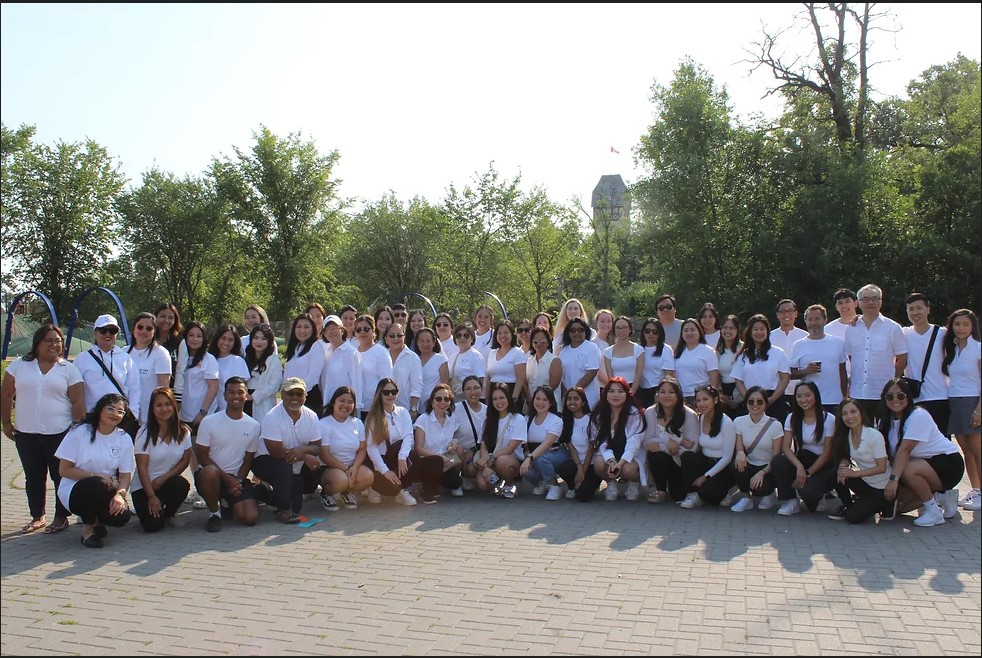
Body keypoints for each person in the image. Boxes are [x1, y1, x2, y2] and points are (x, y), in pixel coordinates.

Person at [2, 324, 84, 534]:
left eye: (58, 341)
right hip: (26, 433)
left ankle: (61, 517)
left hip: (60, 434)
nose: (54, 345)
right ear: (37, 343)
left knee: (60, 476)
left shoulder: (68, 369)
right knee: (34, 476)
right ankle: (37, 516)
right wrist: (6, 423)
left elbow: (78, 402)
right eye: (49, 340)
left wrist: (77, 431)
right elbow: (6, 394)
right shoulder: (19, 365)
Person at [879, 377, 965, 527]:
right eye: (890, 396)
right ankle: (941, 496)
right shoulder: (885, 421)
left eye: (901, 396)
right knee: (900, 508)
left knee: (906, 469)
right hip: (920, 464)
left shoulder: (918, 415)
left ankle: (933, 512)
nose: (895, 400)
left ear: (908, 397)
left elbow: (905, 450)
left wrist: (893, 480)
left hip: (947, 463)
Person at [55, 393, 134, 548]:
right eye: (110, 408)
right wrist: (95, 475)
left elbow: (125, 476)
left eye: (120, 411)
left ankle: (97, 521)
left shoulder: (124, 438)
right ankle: (88, 531)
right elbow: (64, 470)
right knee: (96, 484)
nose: (115, 414)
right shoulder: (79, 432)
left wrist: (120, 495)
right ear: (100, 409)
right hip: (74, 489)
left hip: (106, 488)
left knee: (121, 517)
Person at [194, 377, 261, 532]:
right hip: (212, 477)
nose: (236, 396)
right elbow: (202, 457)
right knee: (210, 472)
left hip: (236, 479)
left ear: (246, 395)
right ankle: (214, 513)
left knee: (250, 518)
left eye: (240, 392)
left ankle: (228, 502)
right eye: (231, 392)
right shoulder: (209, 422)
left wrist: (238, 481)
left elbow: (247, 460)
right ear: (224, 395)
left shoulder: (254, 426)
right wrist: (227, 479)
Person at [252, 377, 322, 524]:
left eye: (299, 394)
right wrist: (305, 456)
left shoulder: (312, 416)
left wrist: (301, 450)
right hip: (265, 461)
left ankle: (258, 492)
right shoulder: (272, 417)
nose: (294, 397)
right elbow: (275, 452)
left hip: (294, 462)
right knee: (283, 467)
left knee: (296, 506)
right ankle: (283, 510)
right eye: (290, 393)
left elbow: (317, 447)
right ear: (282, 394)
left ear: (305, 396)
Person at [770, 381, 837, 516]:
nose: (803, 400)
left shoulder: (829, 419)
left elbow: (827, 453)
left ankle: (819, 494)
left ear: (816, 396)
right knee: (778, 461)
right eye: (799, 396)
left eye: (808, 395)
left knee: (808, 494)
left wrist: (807, 473)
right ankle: (791, 500)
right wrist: (799, 467)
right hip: (803, 459)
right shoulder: (792, 417)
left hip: (822, 464)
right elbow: (785, 447)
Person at [844, 283, 907, 422]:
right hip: (858, 392)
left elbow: (902, 359)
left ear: (881, 301)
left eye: (874, 299)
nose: (870, 302)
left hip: (884, 393)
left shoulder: (893, 327)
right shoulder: (851, 328)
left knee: (884, 431)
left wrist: (892, 381)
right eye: (866, 299)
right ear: (858, 303)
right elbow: (852, 357)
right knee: (861, 431)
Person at [576, 377, 645, 502]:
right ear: (606, 393)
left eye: (620, 391)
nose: (615, 395)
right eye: (611, 391)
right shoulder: (599, 414)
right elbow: (601, 442)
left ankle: (634, 484)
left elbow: (634, 443)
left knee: (628, 470)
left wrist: (620, 463)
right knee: (599, 463)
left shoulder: (634, 414)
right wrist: (611, 461)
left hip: (630, 455)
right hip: (610, 452)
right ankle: (611, 484)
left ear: (627, 394)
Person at [131, 387, 192, 532]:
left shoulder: (183, 431)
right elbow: (142, 468)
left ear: (174, 406)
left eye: (168, 404)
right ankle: (154, 510)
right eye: (158, 405)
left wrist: (164, 478)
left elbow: (185, 461)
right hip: (144, 487)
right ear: (152, 408)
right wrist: (151, 496)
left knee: (181, 484)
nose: (164, 409)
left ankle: (169, 514)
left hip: (166, 482)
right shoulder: (144, 432)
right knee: (152, 526)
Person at [941, 309, 981, 511]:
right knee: (967, 452)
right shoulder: (952, 349)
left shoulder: (978, 348)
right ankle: (976, 490)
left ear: (973, 326)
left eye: (966, 324)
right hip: (955, 402)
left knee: (978, 451)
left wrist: (979, 410)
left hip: (973, 403)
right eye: (957, 324)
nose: (961, 328)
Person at [828, 398, 891, 524]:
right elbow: (845, 456)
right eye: (845, 414)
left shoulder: (874, 435)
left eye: (853, 412)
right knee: (835, 470)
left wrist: (854, 473)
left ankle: (887, 503)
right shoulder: (847, 435)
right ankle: (848, 505)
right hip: (865, 482)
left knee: (852, 518)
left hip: (881, 486)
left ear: (861, 413)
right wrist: (842, 467)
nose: (849, 416)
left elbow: (882, 467)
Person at [364, 378, 420, 507]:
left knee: (413, 456)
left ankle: (402, 489)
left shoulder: (403, 412)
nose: (390, 395)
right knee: (389, 490)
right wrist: (385, 471)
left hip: (397, 457)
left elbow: (408, 436)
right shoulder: (372, 417)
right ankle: (374, 487)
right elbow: (371, 448)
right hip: (380, 460)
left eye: (394, 392)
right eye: (386, 392)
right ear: (379, 394)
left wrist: (402, 457)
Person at [642, 377, 699, 504]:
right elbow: (648, 442)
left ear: (678, 395)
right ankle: (661, 489)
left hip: (682, 462)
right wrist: (669, 442)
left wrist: (666, 445)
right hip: (664, 459)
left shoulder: (689, 415)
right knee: (655, 455)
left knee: (678, 496)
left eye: (671, 392)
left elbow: (692, 448)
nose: (666, 395)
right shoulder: (650, 412)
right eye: (662, 392)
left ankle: (689, 490)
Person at [74, 314, 141, 420]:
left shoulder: (126, 359)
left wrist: (133, 415)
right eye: (103, 330)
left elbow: (134, 389)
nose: (108, 334)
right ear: (95, 333)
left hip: (118, 418)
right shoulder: (82, 358)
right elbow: (75, 391)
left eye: (112, 331)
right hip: (92, 417)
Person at [679, 385, 736, 509]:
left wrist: (706, 476)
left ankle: (720, 492)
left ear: (715, 400)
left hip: (722, 467)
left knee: (710, 496)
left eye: (705, 399)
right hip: (705, 461)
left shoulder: (727, 423)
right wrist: (683, 442)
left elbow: (727, 457)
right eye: (698, 400)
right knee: (687, 456)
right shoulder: (701, 418)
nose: (701, 404)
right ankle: (692, 494)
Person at [729, 387, 784, 512]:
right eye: (751, 401)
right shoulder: (739, 421)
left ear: (765, 404)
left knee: (761, 489)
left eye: (760, 401)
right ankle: (746, 498)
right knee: (736, 464)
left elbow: (776, 457)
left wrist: (762, 472)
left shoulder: (775, 425)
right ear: (746, 403)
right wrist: (740, 453)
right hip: (750, 464)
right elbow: (739, 448)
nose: (755, 405)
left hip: (767, 468)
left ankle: (769, 493)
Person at [318, 386, 373, 509]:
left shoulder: (357, 423)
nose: (345, 405)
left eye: (350, 402)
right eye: (342, 401)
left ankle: (346, 492)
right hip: (329, 467)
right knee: (342, 480)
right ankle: (326, 494)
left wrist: (355, 467)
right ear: (334, 402)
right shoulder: (323, 424)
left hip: (351, 466)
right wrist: (346, 469)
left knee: (368, 476)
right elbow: (324, 454)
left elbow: (362, 449)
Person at [902, 292, 949, 433]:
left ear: (928, 309)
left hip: (940, 397)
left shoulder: (942, 333)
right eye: (911, 309)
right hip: (914, 398)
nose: (915, 313)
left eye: (919, 308)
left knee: (941, 439)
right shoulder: (903, 333)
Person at [788, 304, 848, 413]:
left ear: (825, 320)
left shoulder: (837, 343)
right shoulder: (799, 345)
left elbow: (842, 372)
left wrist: (844, 396)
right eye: (810, 319)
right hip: (809, 402)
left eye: (817, 319)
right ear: (806, 321)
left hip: (834, 401)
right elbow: (790, 374)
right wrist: (806, 371)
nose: (813, 323)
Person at [732, 314, 791, 421]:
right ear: (750, 332)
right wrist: (749, 400)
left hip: (774, 401)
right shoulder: (742, 355)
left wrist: (771, 400)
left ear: (767, 331)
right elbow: (738, 381)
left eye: (762, 329)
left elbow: (785, 378)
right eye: (755, 329)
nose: (759, 332)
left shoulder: (778, 353)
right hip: (751, 402)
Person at [473, 382, 527, 498]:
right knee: (483, 484)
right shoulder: (488, 420)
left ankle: (510, 484)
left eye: (502, 397)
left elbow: (510, 449)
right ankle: (498, 483)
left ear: (508, 398)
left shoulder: (518, 419)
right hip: (491, 460)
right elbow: (483, 445)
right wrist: (485, 466)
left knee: (502, 461)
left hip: (510, 460)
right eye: (495, 399)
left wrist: (489, 457)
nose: (499, 402)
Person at [413, 384, 462, 503]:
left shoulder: (452, 419)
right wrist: (439, 457)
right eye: (438, 399)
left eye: (446, 399)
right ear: (432, 402)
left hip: (446, 461)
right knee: (436, 462)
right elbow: (418, 448)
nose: (443, 402)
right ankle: (426, 491)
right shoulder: (423, 419)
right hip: (426, 461)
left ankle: (434, 484)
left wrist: (454, 443)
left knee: (455, 481)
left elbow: (453, 439)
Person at [521, 386, 570, 500]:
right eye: (537, 398)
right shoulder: (527, 419)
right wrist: (527, 453)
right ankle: (541, 482)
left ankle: (554, 485)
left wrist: (530, 458)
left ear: (551, 403)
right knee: (522, 465)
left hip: (556, 453)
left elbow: (547, 443)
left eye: (544, 400)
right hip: (534, 453)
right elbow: (524, 442)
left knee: (541, 458)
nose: (540, 403)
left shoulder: (556, 420)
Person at [127, 312, 172, 425]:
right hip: (125, 415)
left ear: (154, 331)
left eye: (149, 328)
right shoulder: (123, 352)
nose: (143, 331)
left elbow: (164, 390)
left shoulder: (161, 353)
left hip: (150, 417)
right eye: (140, 327)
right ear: (133, 328)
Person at [176, 321, 219, 435]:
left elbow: (213, 387)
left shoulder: (208, 359)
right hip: (181, 414)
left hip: (200, 416)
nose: (195, 339)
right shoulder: (180, 356)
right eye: (191, 335)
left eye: (199, 336)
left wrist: (203, 412)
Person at [283, 313, 326, 415]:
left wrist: (298, 393)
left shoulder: (316, 347)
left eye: (306, 327)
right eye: (298, 327)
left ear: (313, 329)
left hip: (308, 397)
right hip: (291, 397)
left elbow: (313, 377)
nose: (302, 331)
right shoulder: (294, 348)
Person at [673, 318, 721, 407]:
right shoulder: (678, 352)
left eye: (692, 330)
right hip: (681, 397)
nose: (689, 333)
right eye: (686, 330)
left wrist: (709, 396)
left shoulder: (708, 351)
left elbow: (714, 377)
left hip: (701, 398)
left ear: (699, 331)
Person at [770, 299, 808, 409]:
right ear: (777, 315)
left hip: (800, 390)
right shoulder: (769, 337)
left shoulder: (805, 337)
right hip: (775, 390)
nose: (786, 314)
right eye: (782, 311)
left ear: (796, 313)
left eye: (790, 311)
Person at [353, 315, 393, 418]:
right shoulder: (352, 353)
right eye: (359, 329)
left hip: (375, 408)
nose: (362, 332)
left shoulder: (381, 352)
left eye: (366, 329)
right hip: (354, 407)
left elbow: (386, 382)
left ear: (373, 331)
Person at [558, 317, 603, 409]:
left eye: (580, 330)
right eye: (573, 330)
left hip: (588, 398)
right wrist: (567, 394)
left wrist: (574, 393)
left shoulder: (591, 347)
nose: (577, 332)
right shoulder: (563, 351)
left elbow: (592, 372)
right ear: (568, 333)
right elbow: (561, 375)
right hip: (568, 399)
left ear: (586, 331)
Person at [318, 314, 358, 412]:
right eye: (328, 329)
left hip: (345, 408)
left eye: (335, 328)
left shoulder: (351, 352)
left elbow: (356, 382)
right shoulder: (325, 352)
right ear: (324, 333)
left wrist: (355, 407)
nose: (332, 331)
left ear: (342, 330)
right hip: (327, 405)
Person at [453, 375, 488, 488]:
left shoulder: (488, 411)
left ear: (481, 389)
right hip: (460, 452)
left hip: (479, 452)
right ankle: (457, 479)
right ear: (463, 392)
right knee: (459, 450)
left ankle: (475, 476)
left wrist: (473, 452)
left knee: (483, 484)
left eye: (476, 388)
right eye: (468, 389)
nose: (473, 392)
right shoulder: (455, 409)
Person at [208, 323, 251, 412]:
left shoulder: (238, 361)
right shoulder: (208, 359)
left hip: (231, 411)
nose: (226, 343)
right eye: (223, 338)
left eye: (230, 340)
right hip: (209, 410)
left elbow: (242, 391)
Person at [559, 386, 592, 499]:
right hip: (576, 462)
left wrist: (583, 470)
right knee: (562, 467)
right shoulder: (566, 420)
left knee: (583, 496)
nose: (572, 402)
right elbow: (570, 447)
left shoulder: (591, 419)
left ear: (583, 402)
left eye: (576, 399)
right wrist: (579, 468)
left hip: (591, 463)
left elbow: (592, 448)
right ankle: (572, 486)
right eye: (569, 399)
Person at [244, 323, 283, 421]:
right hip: (245, 400)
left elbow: (274, 385)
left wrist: (254, 396)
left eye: (263, 339)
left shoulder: (273, 360)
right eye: (256, 338)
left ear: (269, 341)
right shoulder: (247, 358)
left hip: (263, 402)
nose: (259, 342)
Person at [484, 319, 527, 406]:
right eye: (499, 333)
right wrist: (487, 398)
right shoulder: (492, 353)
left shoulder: (518, 353)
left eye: (506, 332)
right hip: (494, 395)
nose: (502, 335)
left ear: (512, 334)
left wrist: (514, 398)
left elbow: (521, 378)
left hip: (510, 393)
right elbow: (488, 378)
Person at [637, 318, 676, 409]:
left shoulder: (666, 350)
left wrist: (659, 394)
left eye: (655, 332)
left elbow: (668, 375)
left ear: (660, 333)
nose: (651, 334)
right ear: (643, 332)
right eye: (648, 331)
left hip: (657, 390)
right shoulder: (638, 349)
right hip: (640, 391)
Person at [386, 323, 423, 419]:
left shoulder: (412, 358)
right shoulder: (382, 356)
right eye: (392, 336)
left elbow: (417, 385)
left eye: (399, 335)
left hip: (405, 410)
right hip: (384, 409)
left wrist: (413, 408)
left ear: (404, 337)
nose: (396, 338)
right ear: (386, 339)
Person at [603, 315, 645, 396]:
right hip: (616, 391)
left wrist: (631, 392)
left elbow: (639, 375)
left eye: (624, 327)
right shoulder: (607, 352)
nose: (621, 330)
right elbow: (610, 377)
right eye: (618, 328)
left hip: (635, 390)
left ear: (630, 329)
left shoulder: (639, 349)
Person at [413, 326, 449, 416]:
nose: (425, 344)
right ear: (417, 343)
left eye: (428, 341)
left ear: (434, 342)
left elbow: (444, 384)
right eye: (422, 341)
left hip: (435, 406)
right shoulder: (413, 359)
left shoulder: (440, 359)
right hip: (415, 406)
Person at [525, 326, 562, 411]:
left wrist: (539, 399)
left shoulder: (554, 361)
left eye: (542, 340)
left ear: (548, 342)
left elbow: (553, 385)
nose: (539, 343)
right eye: (535, 340)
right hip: (532, 407)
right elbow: (526, 383)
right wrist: (529, 399)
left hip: (551, 406)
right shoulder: (529, 361)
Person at [448, 323, 485, 399]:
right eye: (459, 335)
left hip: (470, 398)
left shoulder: (476, 356)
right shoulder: (452, 357)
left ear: (472, 338)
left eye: (466, 335)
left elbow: (480, 380)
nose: (462, 338)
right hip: (455, 397)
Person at [716, 315, 743, 417]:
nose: (728, 331)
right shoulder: (717, 351)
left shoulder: (744, 349)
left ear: (737, 330)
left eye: (732, 328)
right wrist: (722, 396)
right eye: (725, 327)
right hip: (723, 393)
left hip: (742, 391)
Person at [153, 302, 184, 386]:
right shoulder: (149, 339)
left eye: (170, 318)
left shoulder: (180, 342)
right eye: (162, 316)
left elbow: (181, 370)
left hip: (171, 389)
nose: (166, 321)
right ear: (155, 317)